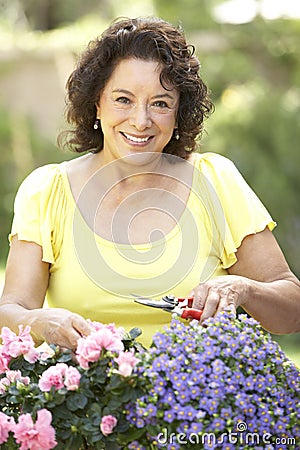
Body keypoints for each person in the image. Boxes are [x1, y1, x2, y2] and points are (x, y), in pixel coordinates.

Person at [0, 17, 299, 349]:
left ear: (178, 112)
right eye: (123, 100)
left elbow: (291, 312)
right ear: (97, 103)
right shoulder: (47, 191)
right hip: (88, 398)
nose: (141, 121)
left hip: (198, 397)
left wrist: (244, 288)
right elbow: (12, 311)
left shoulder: (215, 181)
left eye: (160, 103)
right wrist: (38, 321)